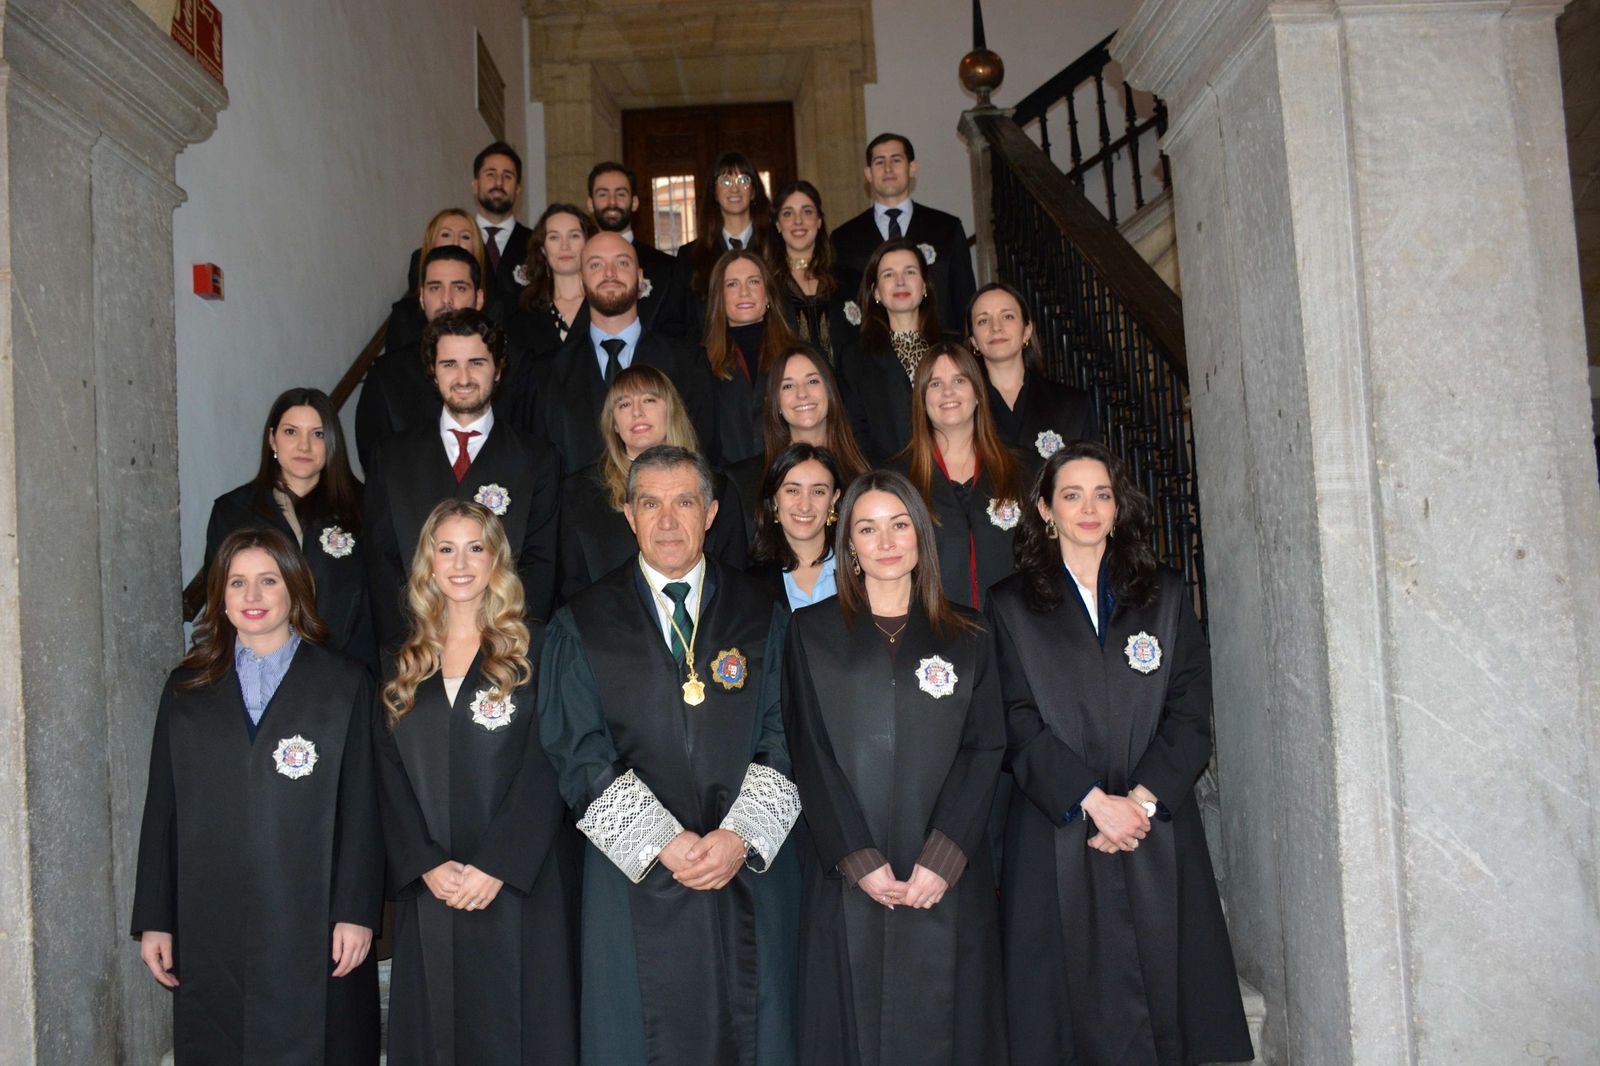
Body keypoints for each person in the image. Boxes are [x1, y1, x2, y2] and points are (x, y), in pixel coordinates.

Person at [986, 441, 1253, 1066]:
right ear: (1045, 509)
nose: (1088, 508)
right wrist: (1090, 802)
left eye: (1101, 494)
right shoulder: (1009, 605)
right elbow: (1012, 719)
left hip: (1152, 825)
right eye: (1071, 495)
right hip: (1059, 826)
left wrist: (1138, 801)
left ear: (1118, 506)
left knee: (1165, 999)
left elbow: (1190, 713)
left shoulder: (1161, 593)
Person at [537, 444, 801, 1066]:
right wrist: (664, 841)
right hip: (634, 876)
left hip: (746, 868)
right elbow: (578, 749)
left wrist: (738, 837)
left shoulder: (763, 613)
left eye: (683, 502)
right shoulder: (583, 621)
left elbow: (788, 731)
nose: (666, 521)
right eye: (649, 503)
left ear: (710, 511)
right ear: (627, 515)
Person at [132, 527, 382, 1064]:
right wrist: (157, 916)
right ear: (219, 598)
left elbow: (364, 808)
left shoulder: (344, 684)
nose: (252, 597)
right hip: (210, 919)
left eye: (267, 581)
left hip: (313, 921)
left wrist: (356, 911)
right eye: (237, 583)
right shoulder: (186, 690)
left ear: (294, 587)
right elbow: (163, 811)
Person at [781, 469, 1006, 1066]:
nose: (886, 541)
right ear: (848, 544)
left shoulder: (970, 633)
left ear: (920, 536)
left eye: (899, 525)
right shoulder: (808, 633)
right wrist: (856, 855)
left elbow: (985, 749)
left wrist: (944, 855)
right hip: (850, 874)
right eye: (868, 528)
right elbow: (808, 751)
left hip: (946, 875)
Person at [374, 500, 578, 1065]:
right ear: (426, 563)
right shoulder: (400, 661)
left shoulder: (539, 648)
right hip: (434, 883)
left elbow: (550, 761)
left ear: (497, 561)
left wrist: (499, 864)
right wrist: (424, 863)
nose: (460, 563)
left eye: (475, 548)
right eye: (446, 549)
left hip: (518, 883)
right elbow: (386, 776)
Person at [364, 307, 559, 652]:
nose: (464, 377)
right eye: (449, 364)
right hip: (414, 649)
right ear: (432, 371)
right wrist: (408, 645)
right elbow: (382, 563)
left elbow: (541, 565)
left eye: (477, 363)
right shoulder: (391, 457)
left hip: (505, 648)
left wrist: (511, 642)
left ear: (498, 370)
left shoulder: (536, 459)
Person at [513, 231, 713, 476]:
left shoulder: (688, 362)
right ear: (581, 282)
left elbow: (705, 458)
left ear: (640, 278)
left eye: (622, 263)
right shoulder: (544, 373)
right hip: (576, 512)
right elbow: (536, 466)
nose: (610, 273)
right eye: (596, 265)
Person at [205, 387, 376, 670]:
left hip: (347, 672)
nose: (304, 446)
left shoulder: (365, 508)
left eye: (318, 434)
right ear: (272, 440)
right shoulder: (233, 512)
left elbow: (378, 601)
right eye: (291, 432)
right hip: (257, 669)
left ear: (332, 443)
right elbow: (220, 600)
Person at [558, 365, 747, 601]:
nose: (637, 412)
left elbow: (735, 579)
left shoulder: (718, 486)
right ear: (613, 424)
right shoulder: (579, 492)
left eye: (649, 400)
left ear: (671, 411)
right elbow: (572, 585)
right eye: (624, 404)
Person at [891, 340, 1031, 610]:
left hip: (1014, 634)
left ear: (979, 393)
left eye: (959, 380)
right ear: (921, 400)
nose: (947, 392)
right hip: (935, 637)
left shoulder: (1024, 470)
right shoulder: (897, 480)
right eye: (934, 384)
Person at [356, 245, 487, 470]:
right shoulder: (386, 376)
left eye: (459, 287)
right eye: (435, 288)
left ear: (479, 298)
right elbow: (375, 463)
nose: (447, 299)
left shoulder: (509, 368)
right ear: (422, 298)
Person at [725, 344, 870, 544]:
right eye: (788, 385)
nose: (802, 394)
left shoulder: (865, 475)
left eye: (812, 381)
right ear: (776, 402)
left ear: (830, 391)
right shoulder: (745, 483)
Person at [829, 133, 976, 322]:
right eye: (879, 162)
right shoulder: (844, 238)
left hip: (939, 345)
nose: (888, 168)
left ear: (912, 168)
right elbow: (840, 307)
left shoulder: (946, 228)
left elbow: (965, 298)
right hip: (870, 347)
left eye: (896, 160)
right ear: (868, 173)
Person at [967, 282, 1099, 458]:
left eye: (1007, 317)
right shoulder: (961, 407)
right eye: (983, 321)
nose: (996, 327)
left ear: (1027, 330)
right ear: (974, 341)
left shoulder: (1073, 405)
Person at [845, 238, 945, 463]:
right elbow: (857, 434)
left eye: (910, 272)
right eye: (888, 274)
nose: (900, 282)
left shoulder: (953, 348)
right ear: (876, 292)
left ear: (925, 286)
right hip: (889, 480)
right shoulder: (856, 358)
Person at [703, 248, 797, 465]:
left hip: (790, 477)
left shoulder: (797, 356)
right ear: (719, 297)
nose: (744, 292)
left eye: (753, 282)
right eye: (732, 284)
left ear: (768, 294)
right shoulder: (701, 363)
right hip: (728, 483)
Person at [587, 160, 692, 338]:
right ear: (590, 204)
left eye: (620, 194)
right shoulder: (578, 264)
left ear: (634, 202)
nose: (612, 202)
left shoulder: (668, 267)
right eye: (603, 194)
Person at [765, 180, 861, 372]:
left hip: (847, 396)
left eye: (807, 211)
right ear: (777, 224)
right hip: (789, 394)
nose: (798, 220)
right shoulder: (766, 284)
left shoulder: (850, 280)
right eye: (788, 213)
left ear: (819, 221)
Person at [746, 443, 843, 611]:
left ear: (834, 499)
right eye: (792, 491)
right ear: (775, 498)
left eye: (818, 492)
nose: (805, 506)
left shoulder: (861, 572)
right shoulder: (750, 585)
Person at [386, 208, 491, 356]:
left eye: (465, 237)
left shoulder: (496, 309)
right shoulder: (405, 317)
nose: (456, 242)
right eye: (446, 235)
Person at [679, 151, 774, 311]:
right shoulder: (689, 256)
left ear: (753, 191)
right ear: (714, 193)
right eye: (725, 181)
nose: (734, 188)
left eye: (743, 180)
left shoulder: (776, 246)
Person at [505, 202, 596, 367]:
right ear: (543, 249)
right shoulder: (524, 314)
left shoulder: (605, 305)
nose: (565, 246)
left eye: (574, 235)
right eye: (554, 237)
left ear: (588, 243)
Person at [471, 140, 534, 303]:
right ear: (475, 185)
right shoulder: (456, 240)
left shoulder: (537, 245)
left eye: (507, 176)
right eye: (490, 174)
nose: (499, 183)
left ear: (518, 189)